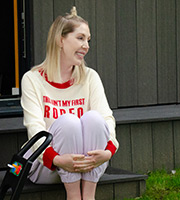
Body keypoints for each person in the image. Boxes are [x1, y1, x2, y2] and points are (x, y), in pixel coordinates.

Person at [21, 6, 119, 200]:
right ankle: (73, 196)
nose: (87, 46)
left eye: (88, 40)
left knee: (94, 118)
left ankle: (89, 196)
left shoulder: (90, 77)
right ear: (60, 40)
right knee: (68, 121)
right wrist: (57, 159)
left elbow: (106, 119)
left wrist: (108, 152)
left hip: (87, 165)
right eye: (80, 38)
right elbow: (34, 128)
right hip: (48, 164)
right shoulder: (32, 79)